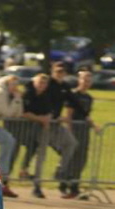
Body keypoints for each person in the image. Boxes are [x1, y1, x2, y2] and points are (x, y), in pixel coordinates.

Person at [63, 71, 99, 198]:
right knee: (73, 157)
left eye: (88, 81)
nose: (86, 83)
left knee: (82, 159)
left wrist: (94, 126)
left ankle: (75, 185)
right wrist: (69, 130)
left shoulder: (89, 98)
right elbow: (69, 114)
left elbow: (86, 115)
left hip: (84, 129)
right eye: (84, 80)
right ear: (79, 80)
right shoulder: (73, 95)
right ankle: (65, 183)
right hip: (74, 129)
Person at [47, 62, 80, 192]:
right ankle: (35, 183)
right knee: (40, 150)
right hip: (43, 123)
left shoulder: (65, 86)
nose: (60, 74)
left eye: (62, 71)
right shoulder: (47, 84)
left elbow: (74, 102)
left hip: (56, 123)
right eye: (58, 71)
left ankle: (60, 171)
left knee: (72, 143)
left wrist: (87, 117)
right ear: (52, 71)